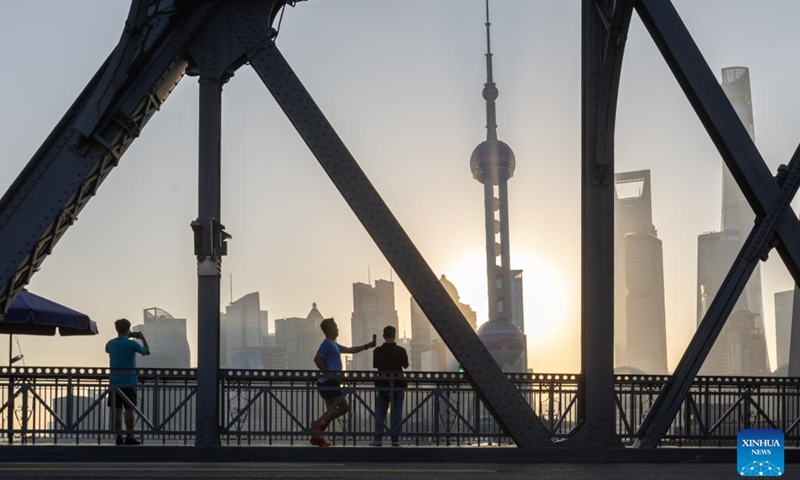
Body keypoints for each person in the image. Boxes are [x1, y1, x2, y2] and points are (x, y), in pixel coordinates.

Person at [309, 317, 375, 447]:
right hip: (329, 382)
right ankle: (317, 424)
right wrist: (328, 373)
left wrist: (367, 346)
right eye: (336, 326)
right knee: (344, 408)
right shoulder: (327, 343)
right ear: (330, 329)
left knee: (330, 412)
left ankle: (317, 437)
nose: (338, 328)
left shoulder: (334, 344)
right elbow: (317, 359)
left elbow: (351, 350)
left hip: (331, 382)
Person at [106, 318, 149, 445]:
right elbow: (147, 351)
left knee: (117, 410)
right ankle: (129, 436)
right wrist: (142, 338)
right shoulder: (132, 344)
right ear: (128, 329)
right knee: (129, 410)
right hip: (129, 381)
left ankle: (118, 437)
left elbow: (107, 350)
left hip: (114, 382)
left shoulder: (110, 343)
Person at [370, 325, 409, 447]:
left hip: (382, 385)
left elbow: (376, 365)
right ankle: (395, 439)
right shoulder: (401, 351)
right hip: (398, 385)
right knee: (396, 413)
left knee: (380, 413)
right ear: (394, 335)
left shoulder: (377, 351)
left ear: (383, 336)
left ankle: (377, 439)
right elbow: (406, 365)